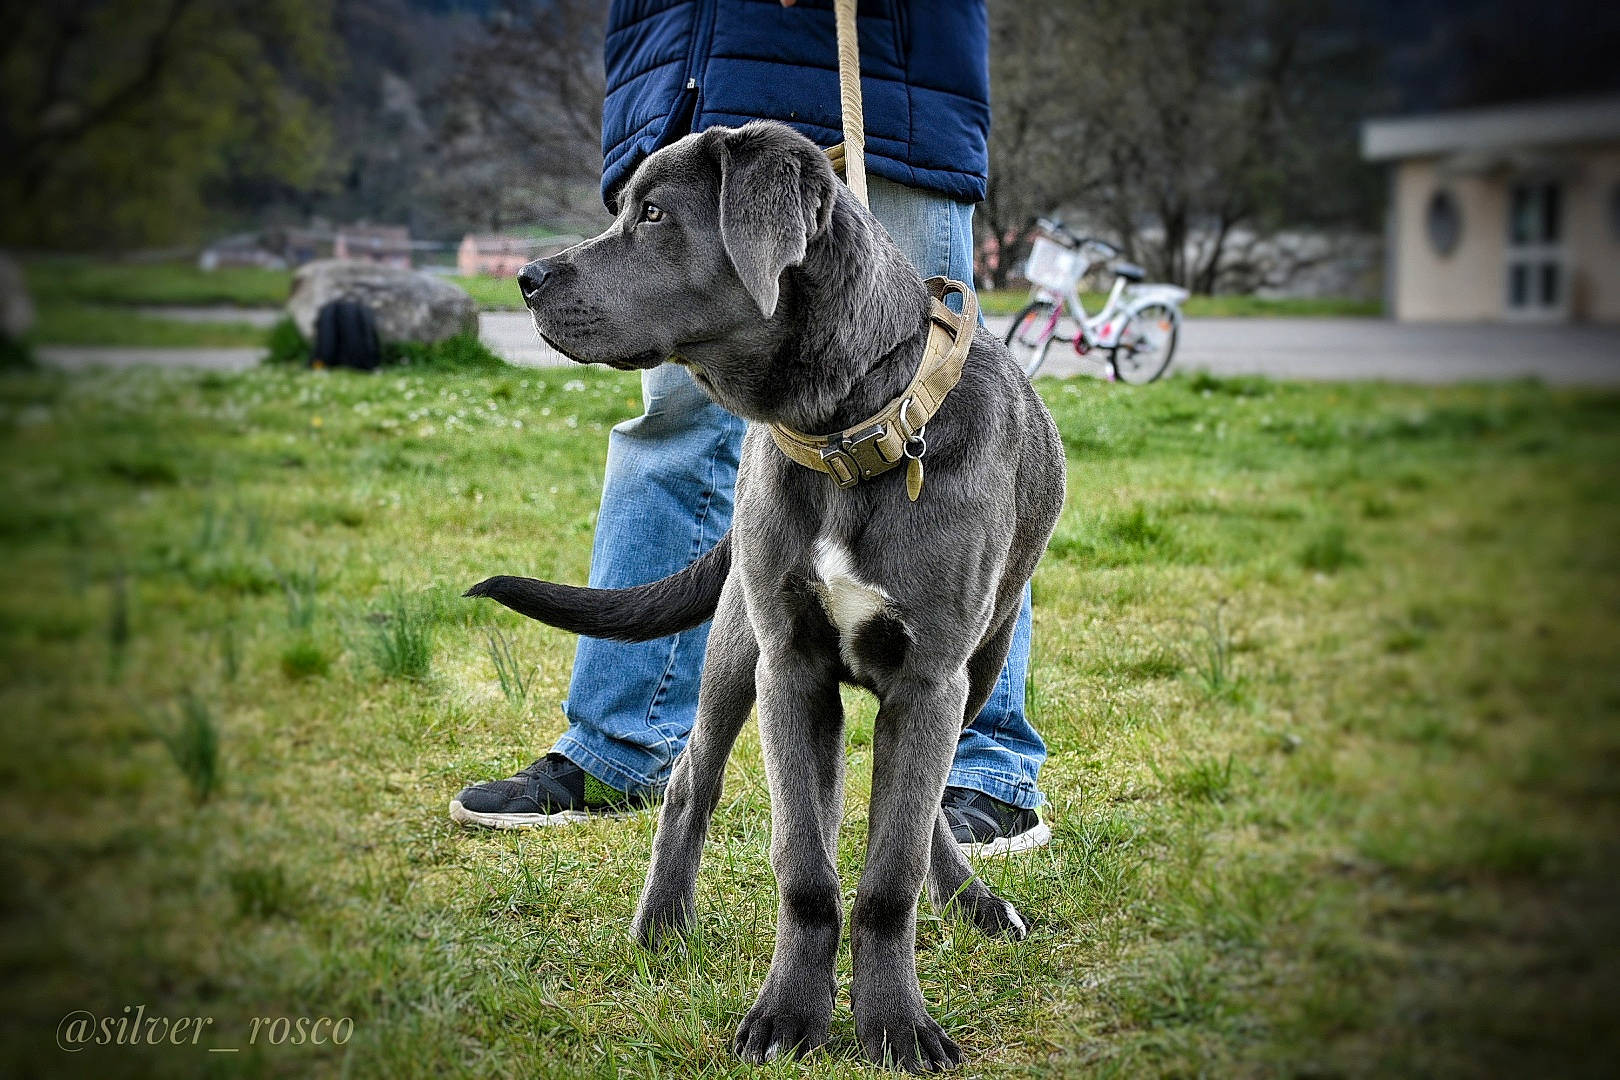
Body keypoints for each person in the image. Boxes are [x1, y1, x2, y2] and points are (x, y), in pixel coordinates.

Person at [452, 0, 1050, 854]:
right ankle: (622, 743)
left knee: (953, 430)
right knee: (676, 421)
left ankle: (982, 769)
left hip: (883, 82)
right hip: (685, 79)